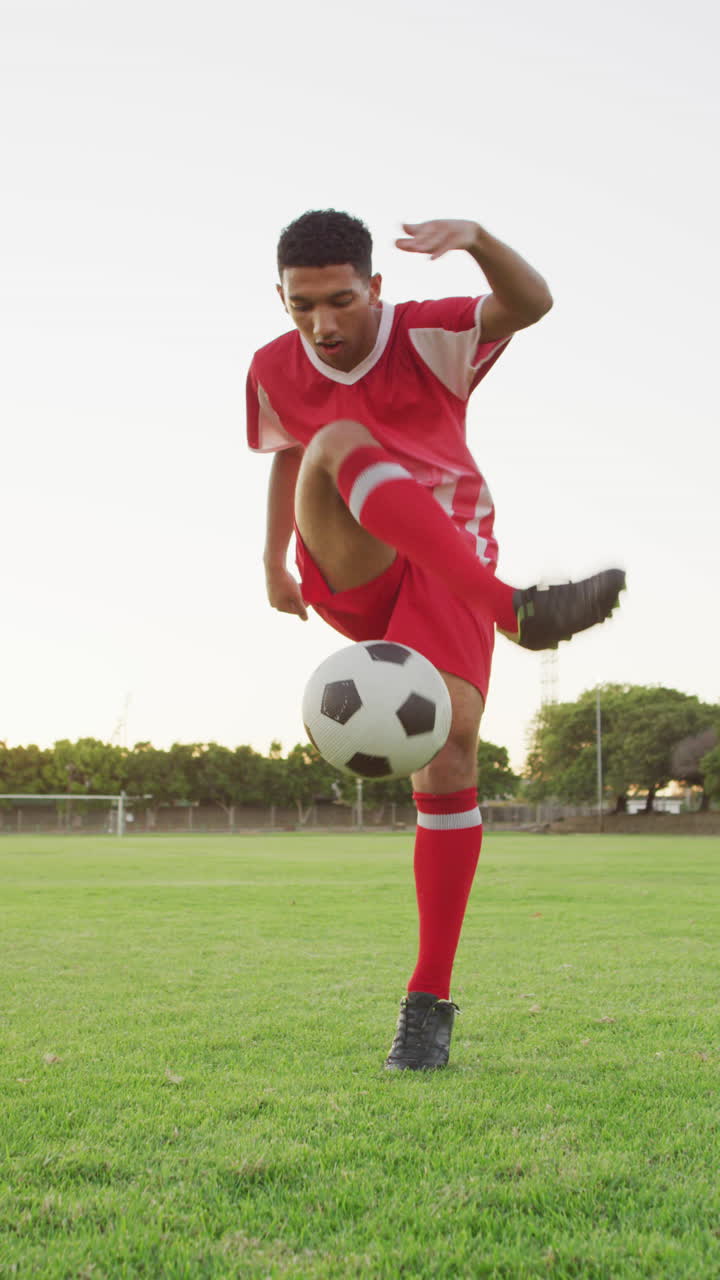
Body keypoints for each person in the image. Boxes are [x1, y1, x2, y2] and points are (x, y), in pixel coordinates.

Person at [246, 210, 624, 1071]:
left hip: (447, 558)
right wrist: (272, 562)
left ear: (377, 288)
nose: (324, 326)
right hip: (362, 554)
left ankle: (427, 1002)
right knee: (336, 439)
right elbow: (284, 454)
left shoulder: (428, 334)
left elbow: (531, 302)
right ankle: (513, 610)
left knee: (450, 753)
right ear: (281, 298)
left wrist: (481, 241)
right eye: (303, 307)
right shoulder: (273, 367)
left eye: (341, 301)